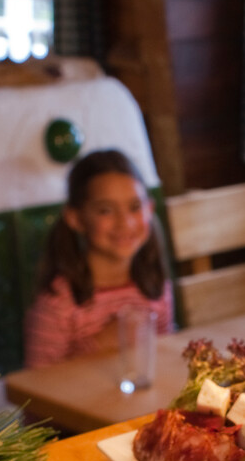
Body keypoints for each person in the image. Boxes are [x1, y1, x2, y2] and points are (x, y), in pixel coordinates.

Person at [24, 149, 176, 368]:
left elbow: (162, 363)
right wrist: (100, 344)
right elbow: (34, 390)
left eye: (135, 207)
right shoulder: (59, 303)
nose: (125, 223)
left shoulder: (155, 287)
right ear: (76, 219)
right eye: (105, 210)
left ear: (150, 209)